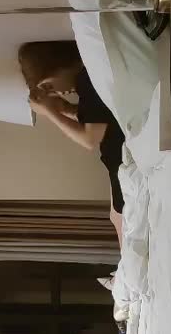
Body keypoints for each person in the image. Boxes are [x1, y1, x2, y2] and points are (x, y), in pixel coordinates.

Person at [18, 41, 125, 246]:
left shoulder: (88, 81)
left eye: (49, 86)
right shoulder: (89, 81)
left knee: (119, 218)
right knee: (116, 216)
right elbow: (101, 120)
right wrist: (66, 110)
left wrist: (50, 112)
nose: (56, 92)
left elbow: (90, 138)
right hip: (117, 158)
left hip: (119, 158)